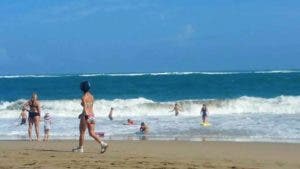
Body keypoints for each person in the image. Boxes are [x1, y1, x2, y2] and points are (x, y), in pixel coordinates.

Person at [73, 81, 108, 153]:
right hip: (92, 115)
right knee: (92, 133)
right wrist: (82, 113)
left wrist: (83, 115)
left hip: (86, 115)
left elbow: (85, 108)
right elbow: (90, 107)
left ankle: (81, 148)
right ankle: (103, 143)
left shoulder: (83, 97)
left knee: (82, 132)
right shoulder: (92, 96)